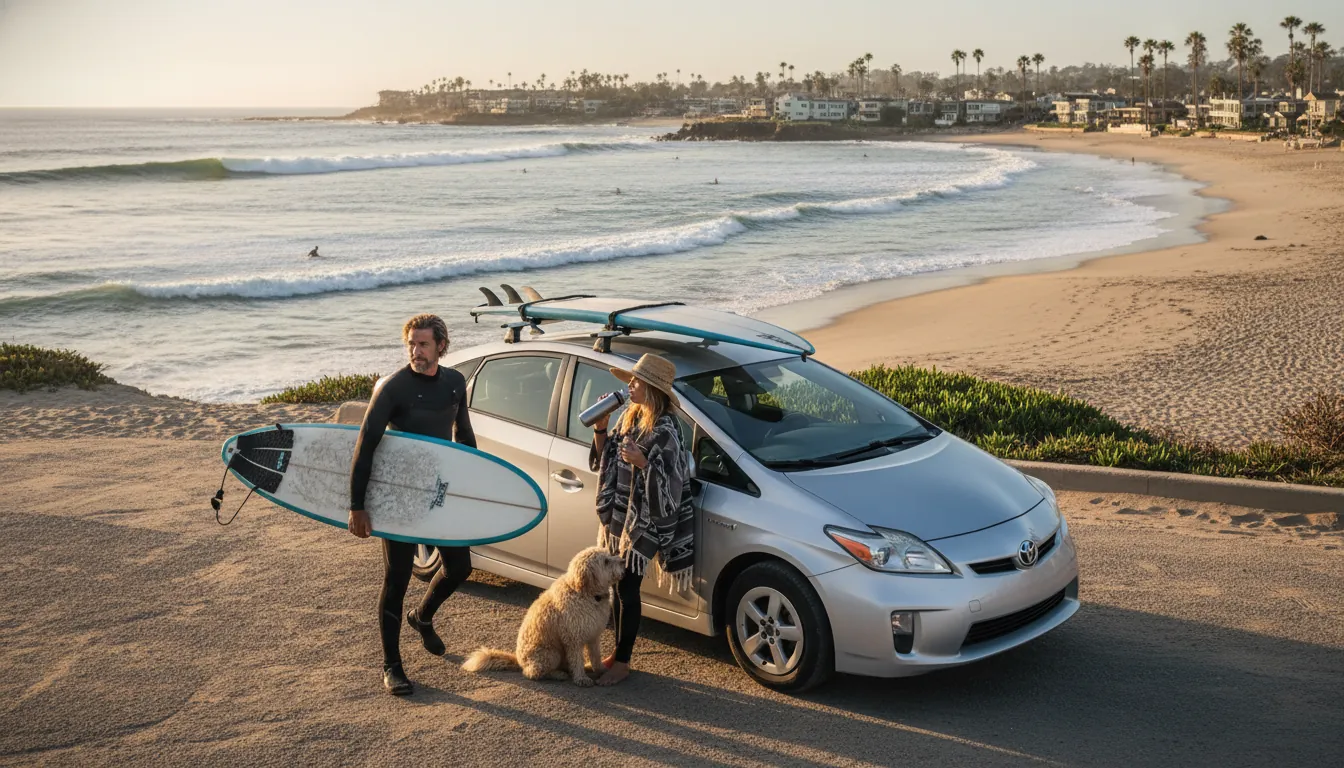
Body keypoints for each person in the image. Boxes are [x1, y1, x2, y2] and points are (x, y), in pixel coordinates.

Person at [348, 313, 476, 695]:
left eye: (423, 344)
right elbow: (365, 445)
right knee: (398, 578)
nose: (415, 351)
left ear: (441, 345)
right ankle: (392, 666)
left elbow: (464, 434)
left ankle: (422, 617)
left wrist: (477, 484)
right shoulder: (393, 388)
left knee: (460, 567)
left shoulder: (454, 383)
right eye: (411, 344)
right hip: (400, 497)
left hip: (438, 493)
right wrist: (357, 505)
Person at [588, 353, 694, 686]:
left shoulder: (666, 429)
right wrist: (601, 430)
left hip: (646, 522)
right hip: (621, 519)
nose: (629, 386)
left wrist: (644, 463)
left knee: (629, 588)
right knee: (619, 587)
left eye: (636, 381)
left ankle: (623, 661)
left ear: (651, 388)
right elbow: (604, 460)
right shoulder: (628, 417)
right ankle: (618, 653)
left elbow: (673, 481)